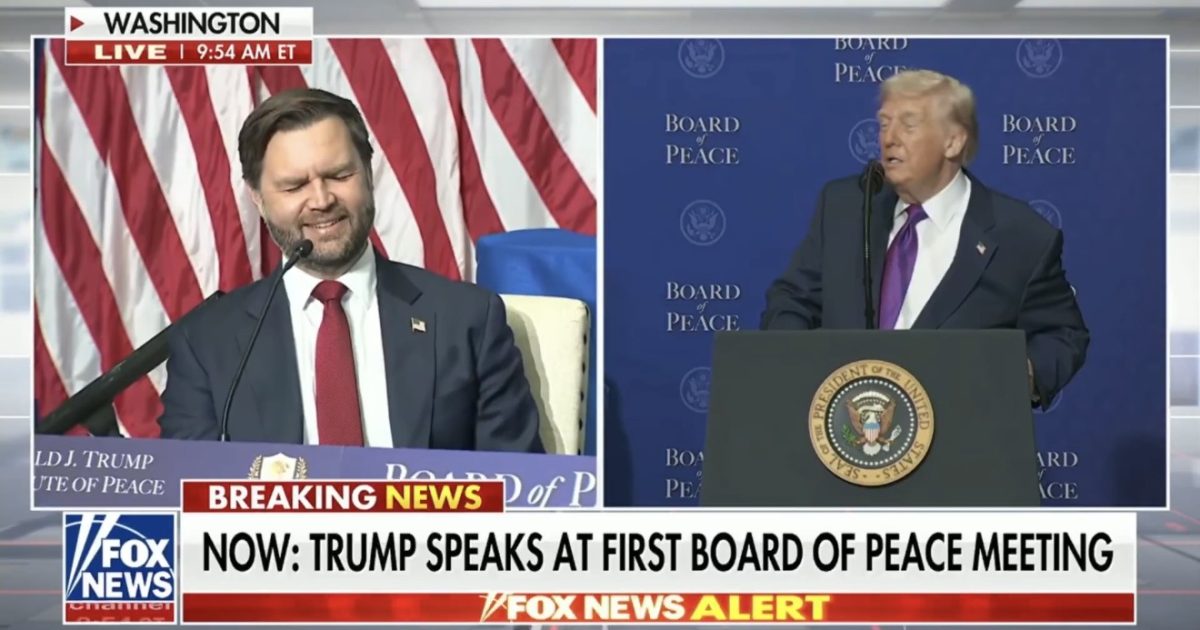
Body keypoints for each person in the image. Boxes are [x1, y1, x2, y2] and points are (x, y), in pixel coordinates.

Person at [158, 88, 544, 452]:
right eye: (294, 187)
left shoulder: (467, 319)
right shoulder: (206, 343)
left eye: (340, 176)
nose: (322, 200)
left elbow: (516, 485)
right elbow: (190, 494)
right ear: (257, 198)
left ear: (368, 173)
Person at [761, 69, 1088, 409]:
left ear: (953, 141)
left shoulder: (1020, 235)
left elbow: (1063, 335)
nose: (889, 138)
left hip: (960, 438)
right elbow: (793, 300)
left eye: (909, 124)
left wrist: (1016, 377)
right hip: (845, 431)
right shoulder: (846, 206)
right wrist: (795, 369)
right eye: (884, 123)